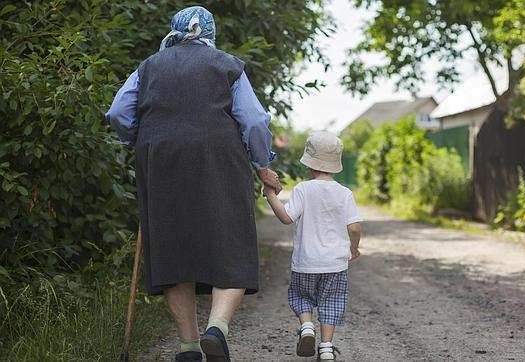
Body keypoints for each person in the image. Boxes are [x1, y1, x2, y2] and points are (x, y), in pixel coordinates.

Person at [105, 6, 282, 362]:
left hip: (160, 162)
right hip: (219, 159)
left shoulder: (149, 65)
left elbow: (118, 113)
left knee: (172, 245)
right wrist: (263, 166)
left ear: (174, 32)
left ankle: (188, 346)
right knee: (231, 240)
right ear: (210, 34)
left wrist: (144, 140)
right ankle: (216, 328)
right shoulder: (227, 64)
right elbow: (255, 122)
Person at [263, 131, 362, 360]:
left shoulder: (302, 189)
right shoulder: (345, 193)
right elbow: (355, 228)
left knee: (301, 297)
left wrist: (270, 195)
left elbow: (286, 218)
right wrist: (354, 248)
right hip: (335, 265)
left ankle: (306, 327)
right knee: (332, 303)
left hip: (306, 263)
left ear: (309, 164)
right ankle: (326, 347)